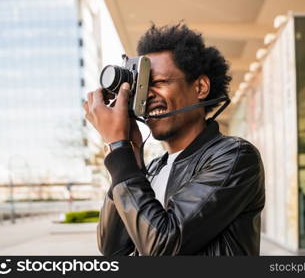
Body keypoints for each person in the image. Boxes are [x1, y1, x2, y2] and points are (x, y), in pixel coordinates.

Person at [84, 24, 265, 256]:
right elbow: (112, 247)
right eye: (141, 87)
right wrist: (130, 155)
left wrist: (118, 148)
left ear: (200, 87)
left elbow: (164, 245)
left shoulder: (234, 156)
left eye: (158, 83)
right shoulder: (151, 169)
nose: (146, 95)